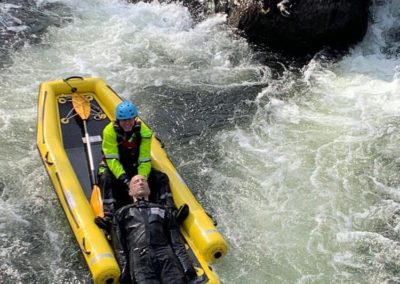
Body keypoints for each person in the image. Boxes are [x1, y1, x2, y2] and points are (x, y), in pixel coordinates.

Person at [112, 175, 197, 284]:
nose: (140, 183)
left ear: (149, 189)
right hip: (139, 258)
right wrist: (124, 268)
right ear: (130, 192)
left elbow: (176, 242)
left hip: (165, 254)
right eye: (136, 182)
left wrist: (186, 265)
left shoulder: (163, 210)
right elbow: (119, 246)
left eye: (143, 181)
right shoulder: (121, 213)